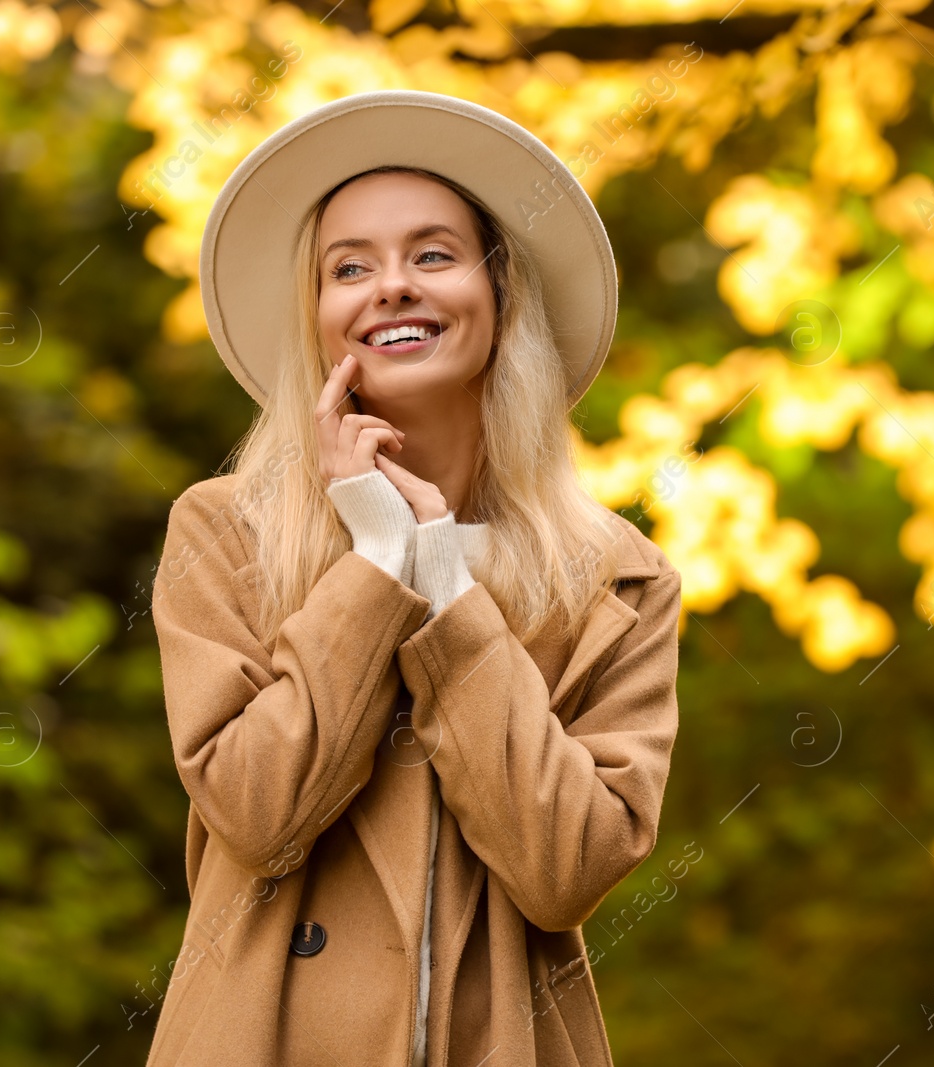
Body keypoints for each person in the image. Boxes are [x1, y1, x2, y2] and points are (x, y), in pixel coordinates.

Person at [146, 90, 684, 1067]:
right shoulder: (223, 532)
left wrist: (442, 576)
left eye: (432, 254)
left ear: (502, 297)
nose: (390, 286)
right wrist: (376, 562)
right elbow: (259, 813)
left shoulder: (617, 580)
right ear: (316, 321)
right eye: (348, 267)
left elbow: (565, 867)